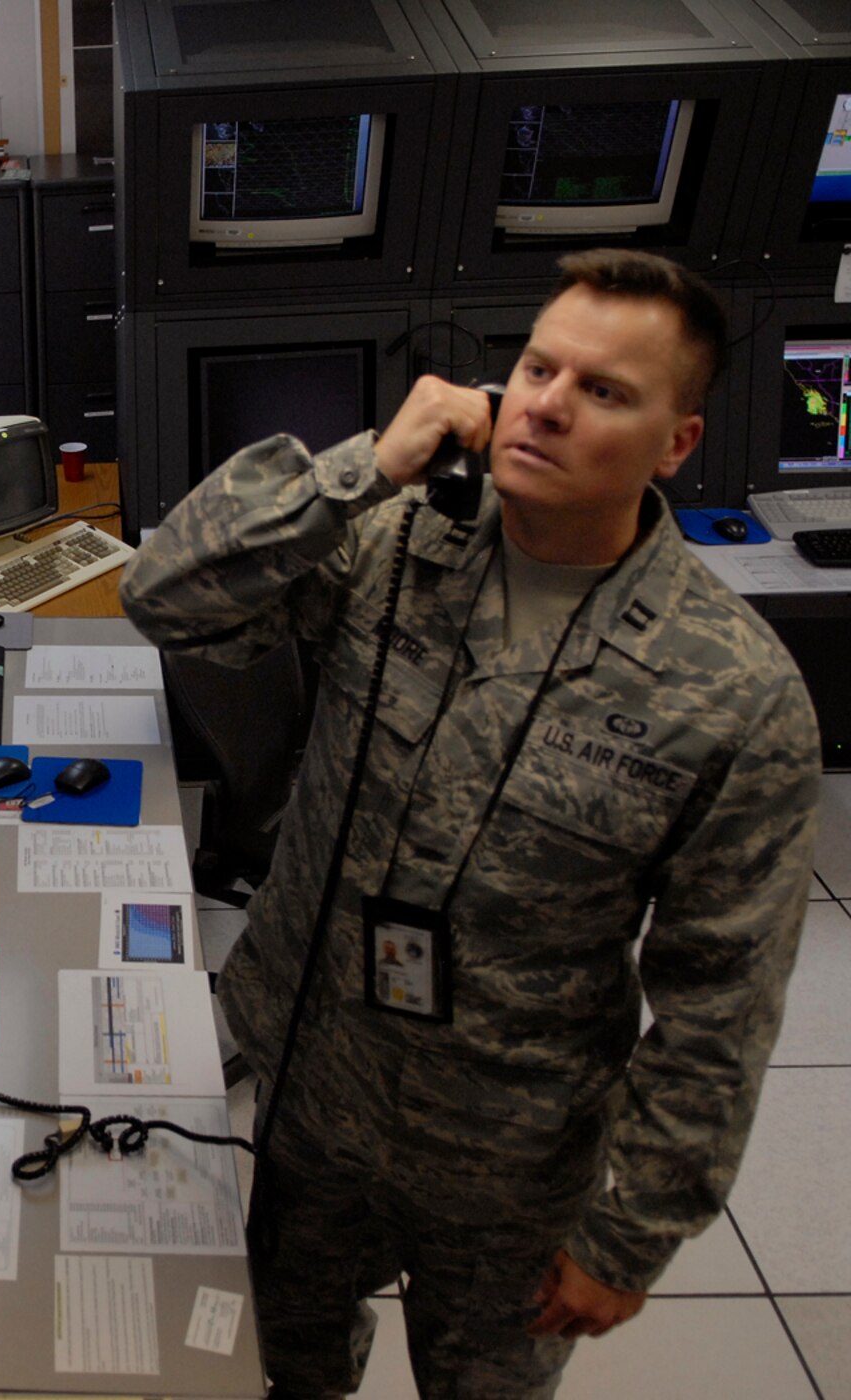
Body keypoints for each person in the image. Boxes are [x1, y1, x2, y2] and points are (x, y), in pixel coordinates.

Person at [120, 249, 821, 1399]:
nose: (544, 401)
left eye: (602, 390)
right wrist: (362, 466)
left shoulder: (732, 694)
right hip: (310, 1083)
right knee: (283, 1367)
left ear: (675, 441)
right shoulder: (394, 538)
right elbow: (165, 592)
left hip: (506, 1149)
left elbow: (720, 1002)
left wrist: (630, 1231)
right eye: (537, 365)